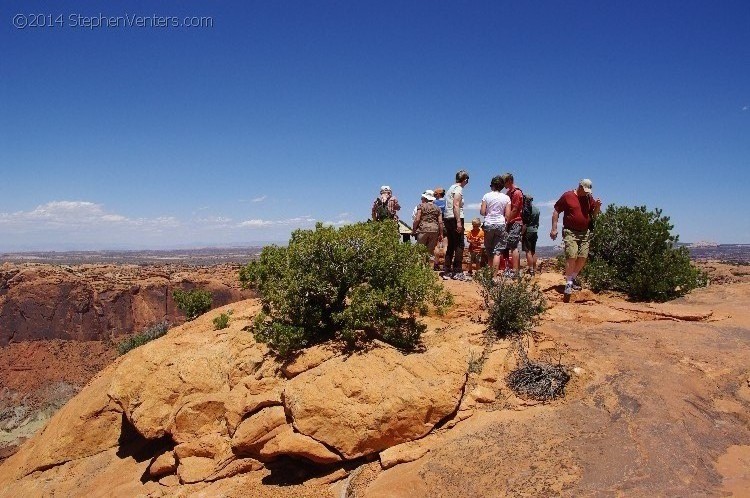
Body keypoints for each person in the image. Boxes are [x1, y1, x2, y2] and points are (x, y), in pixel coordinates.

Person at [550, 178, 602, 297]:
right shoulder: (568, 196)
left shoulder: (588, 198)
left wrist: (597, 206)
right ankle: (568, 283)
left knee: (583, 256)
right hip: (570, 231)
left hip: (585, 232)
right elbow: (556, 211)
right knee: (571, 255)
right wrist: (554, 228)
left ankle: (572, 278)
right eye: (585, 190)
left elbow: (594, 215)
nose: (586, 193)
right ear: (579, 187)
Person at [442, 170, 470, 281]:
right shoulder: (458, 189)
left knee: (451, 244)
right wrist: (458, 221)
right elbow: (456, 204)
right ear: (465, 180)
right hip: (455, 218)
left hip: (447, 218)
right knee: (459, 244)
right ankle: (457, 271)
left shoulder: (450, 188)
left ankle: (447, 270)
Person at [480, 175, 511, 271]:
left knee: (489, 251)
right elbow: (508, 215)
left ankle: (489, 274)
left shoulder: (486, 196)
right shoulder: (506, 198)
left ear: (492, 185)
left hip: (489, 224)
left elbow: (482, 211)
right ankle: (494, 276)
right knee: (497, 252)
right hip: (500, 224)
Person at [412, 190, 443, 264]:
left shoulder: (421, 206)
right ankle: (429, 271)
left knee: (420, 251)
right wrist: (441, 234)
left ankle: (420, 270)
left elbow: (417, 219)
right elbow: (440, 222)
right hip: (434, 230)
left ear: (425, 198)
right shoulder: (438, 208)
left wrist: (414, 229)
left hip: (423, 229)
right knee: (430, 252)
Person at [503, 173, 524, 278]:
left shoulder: (517, 193)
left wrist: (507, 221)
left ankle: (515, 271)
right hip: (510, 222)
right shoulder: (508, 193)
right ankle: (509, 269)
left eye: (505, 182)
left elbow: (515, 209)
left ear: (509, 181)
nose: (503, 184)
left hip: (515, 222)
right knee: (507, 245)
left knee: (513, 245)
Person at [522, 193, 540, 276]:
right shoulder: (537, 209)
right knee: (533, 251)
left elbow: (525, 224)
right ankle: (534, 268)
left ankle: (531, 270)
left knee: (528, 251)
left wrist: (521, 233)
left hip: (528, 231)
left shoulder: (526, 210)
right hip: (535, 231)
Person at [432, 187, 447, 270]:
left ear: (438, 194)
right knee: (445, 245)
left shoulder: (433, 203)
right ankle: (445, 265)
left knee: (436, 246)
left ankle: (436, 264)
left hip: (436, 225)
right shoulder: (447, 202)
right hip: (445, 224)